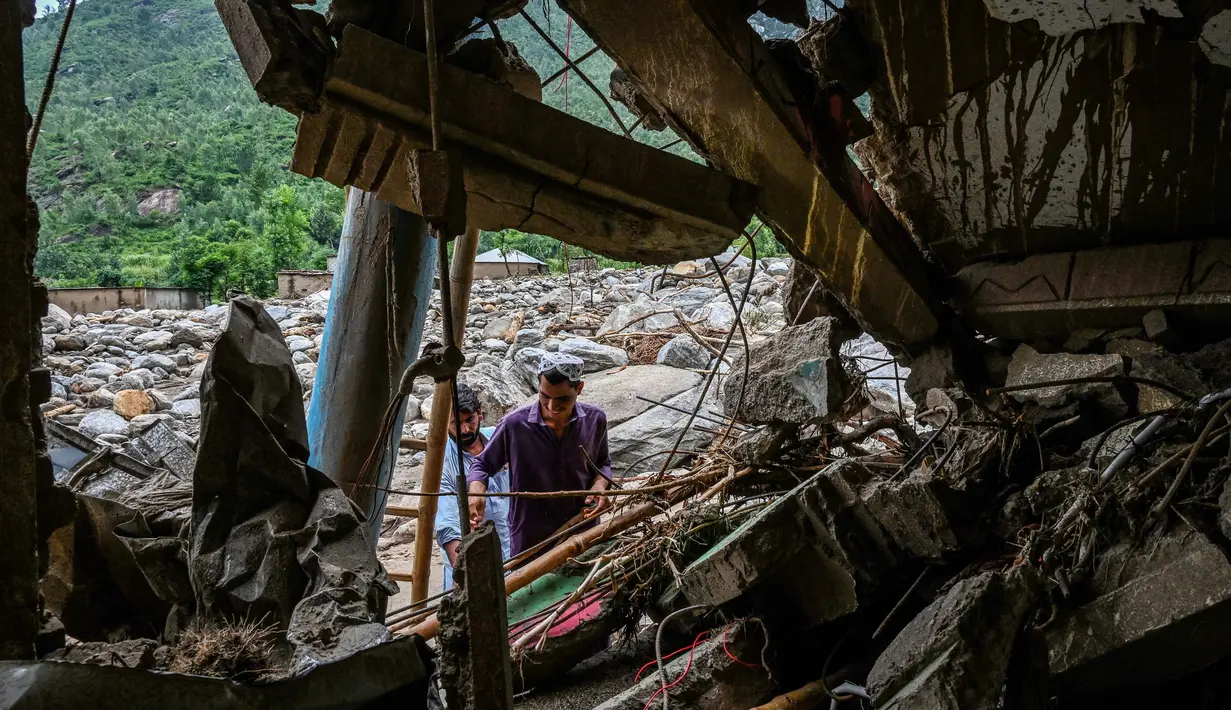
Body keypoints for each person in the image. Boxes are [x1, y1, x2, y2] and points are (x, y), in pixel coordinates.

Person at [466, 352, 613, 557]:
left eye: (562, 399)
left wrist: (599, 486)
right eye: (545, 396)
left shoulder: (595, 420)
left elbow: (603, 464)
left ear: (579, 389)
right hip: (530, 540)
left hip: (582, 531)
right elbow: (481, 465)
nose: (552, 407)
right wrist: (475, 491)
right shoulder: (515, 425)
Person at [434, 383, 511, 591]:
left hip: (512, 553)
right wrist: (466, 576)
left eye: (470, 420)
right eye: (456, 424)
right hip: (473, 561)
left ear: (479, 414)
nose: (466, 430)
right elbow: (448, 526)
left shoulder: (499, 438)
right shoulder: (441, 463)